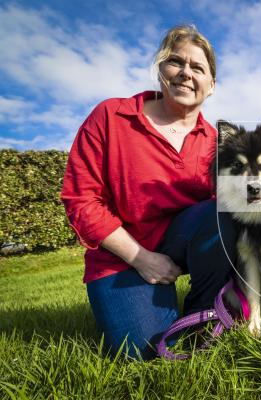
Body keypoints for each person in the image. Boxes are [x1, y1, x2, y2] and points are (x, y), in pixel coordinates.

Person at [61, 25, 235, 360]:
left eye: (198, 68)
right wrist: (142, 259)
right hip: (121, 254)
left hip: (181, 240)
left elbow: (232, 206)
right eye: (175, 62)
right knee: (141, 352)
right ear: (160, 69)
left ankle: (204, 311)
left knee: (224, 213)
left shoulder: (216, 141)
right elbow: (81, 200)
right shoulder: (111, 116)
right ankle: (159, 307)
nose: (185, 73)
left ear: (211, 86)